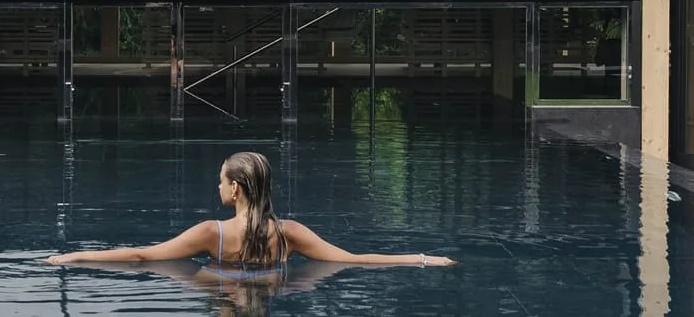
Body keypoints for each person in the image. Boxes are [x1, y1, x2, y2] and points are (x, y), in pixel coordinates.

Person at [45, 150, 454, 271]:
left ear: (235, 188)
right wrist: (421, 258)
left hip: (223, 289)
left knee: (197, 280)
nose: (217, 185)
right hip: (271, 288)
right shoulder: (289, 232)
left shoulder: (213, 233)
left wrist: (76, 255)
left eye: (221, 180)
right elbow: (355, 260)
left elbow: (141, 256)